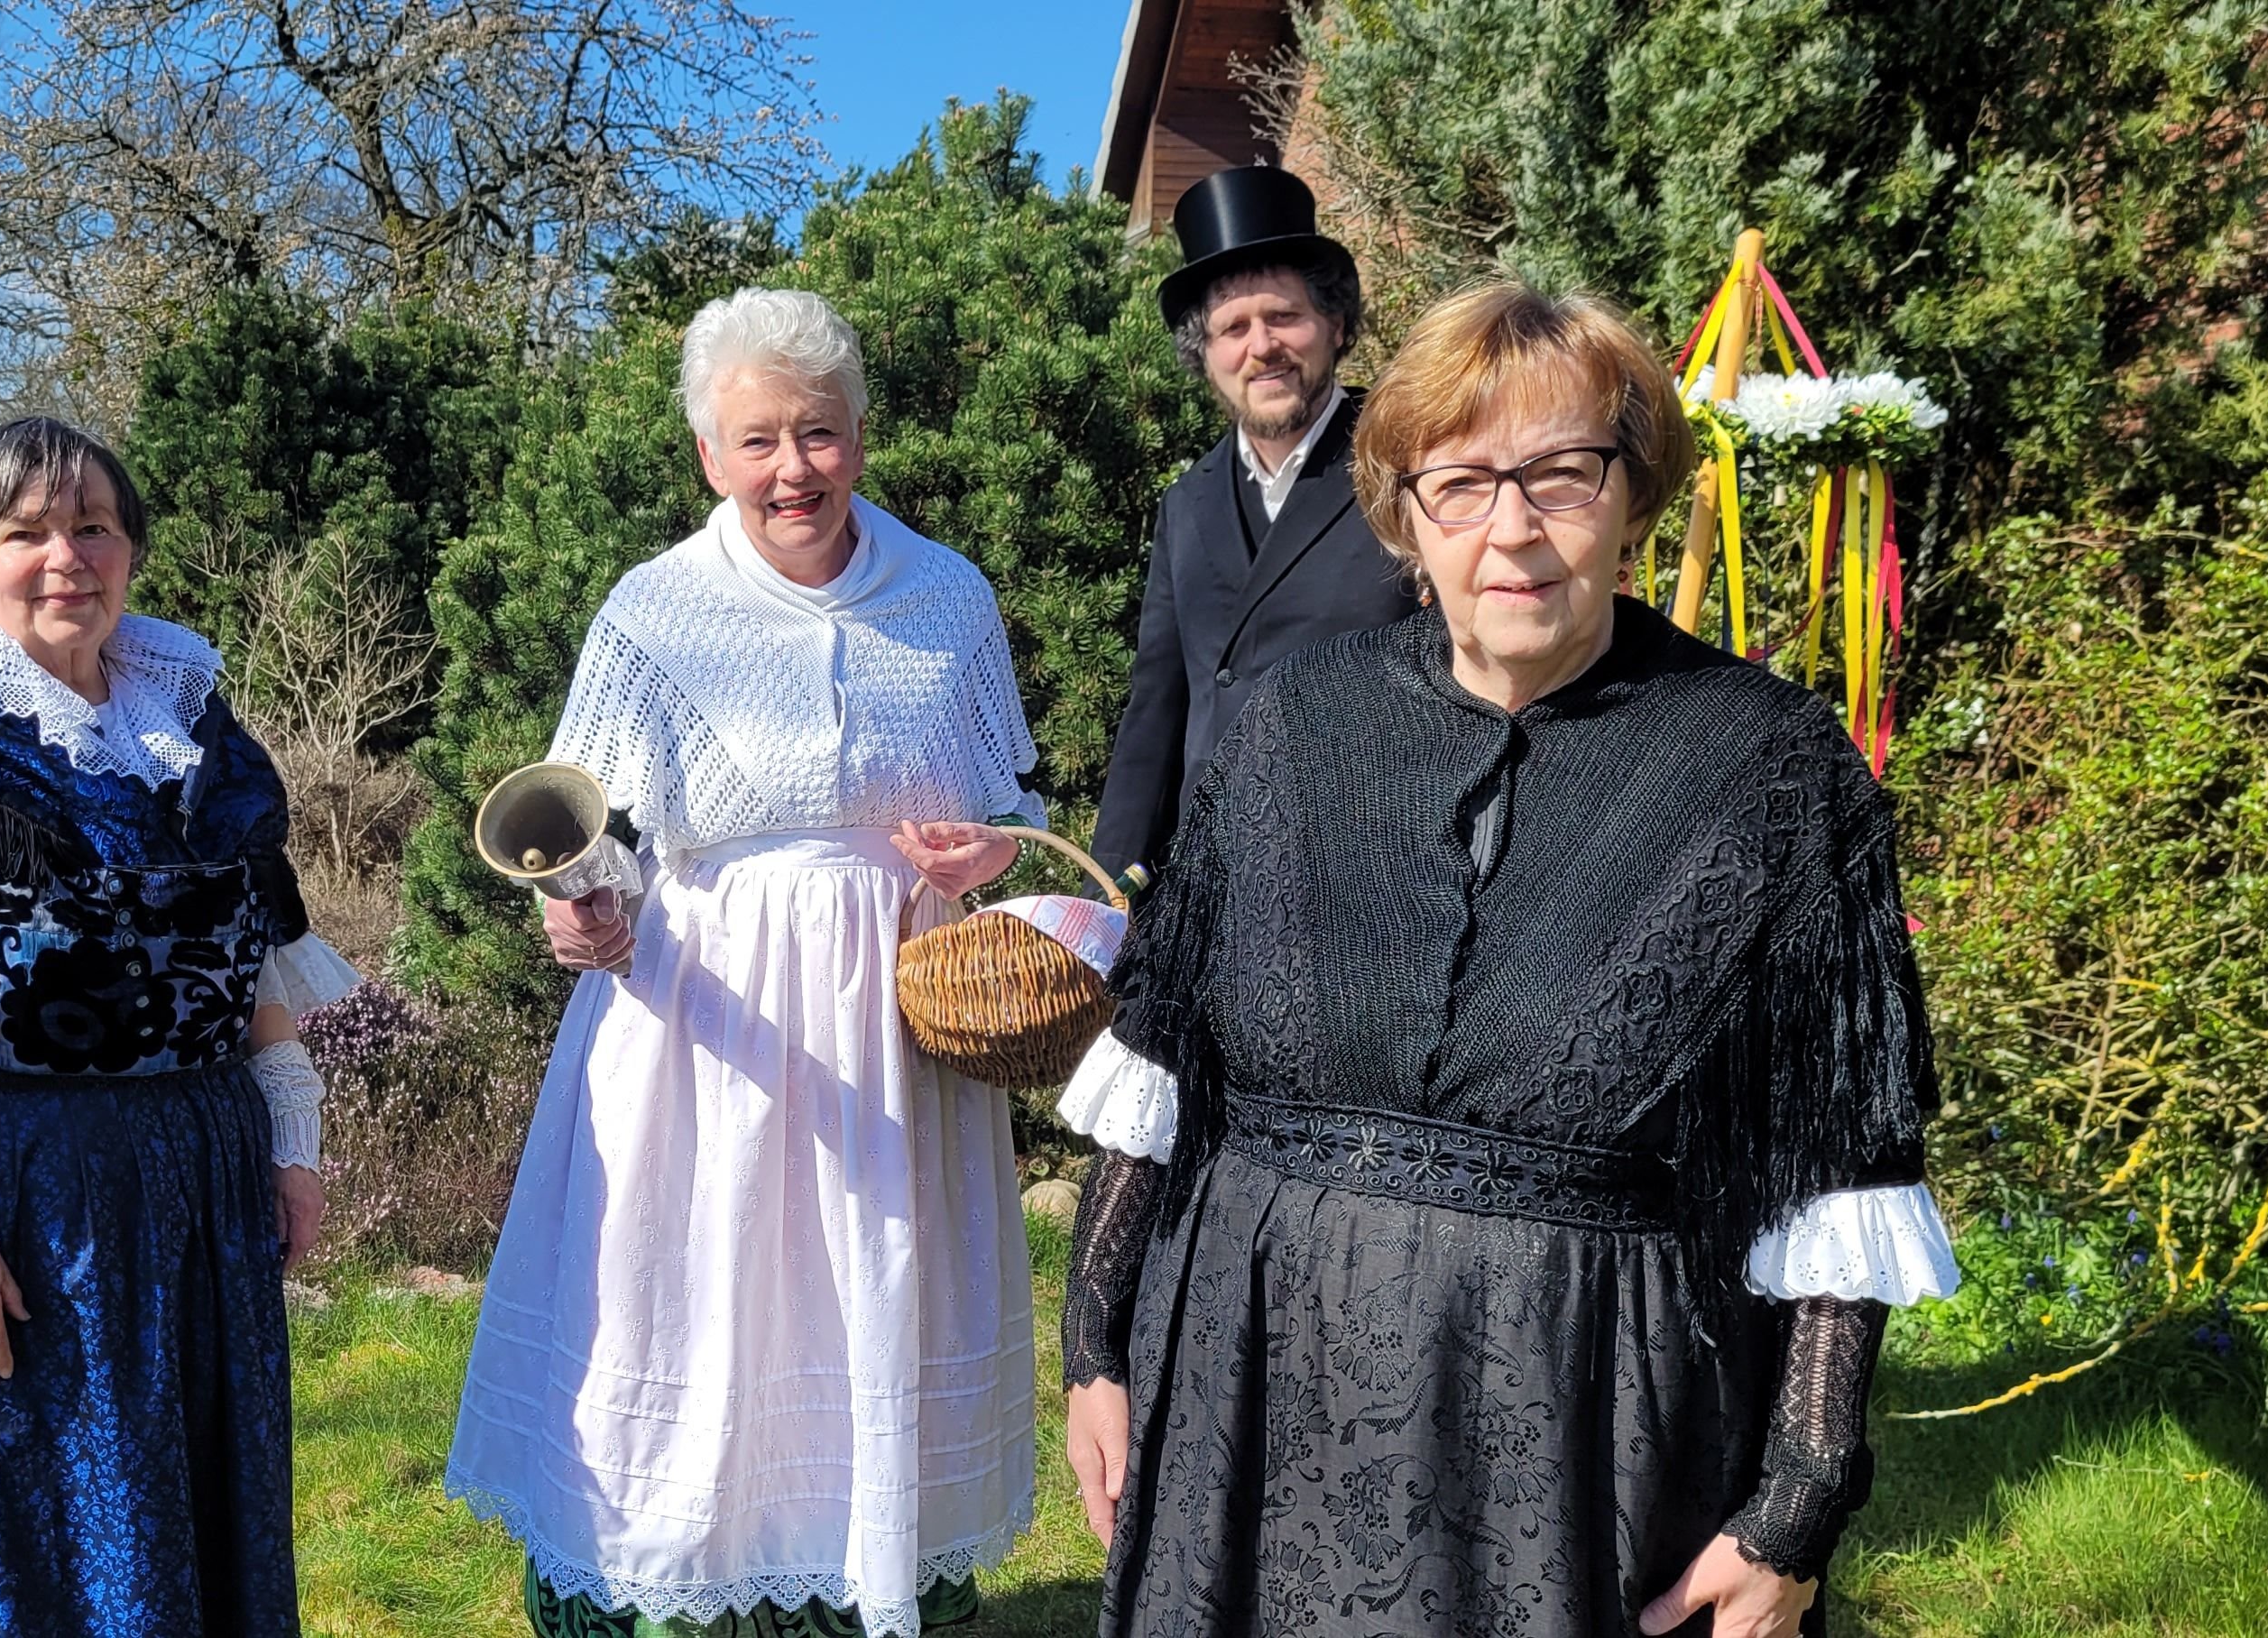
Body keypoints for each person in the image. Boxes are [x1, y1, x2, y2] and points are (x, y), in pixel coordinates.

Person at [1056, 285, 1964, 1638]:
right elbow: (1164, 1059)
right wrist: (1096, 1350)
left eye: (1561, 475)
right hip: (1253, 1397)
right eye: (1464, 484)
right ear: (1404, 515)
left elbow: (1837, 1160)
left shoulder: (1766, 769)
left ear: (1635, 492)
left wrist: (1798, 1507)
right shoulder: (1293, 727)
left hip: (1578, 1428)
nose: (1514, 532)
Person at [444, 288, 1047, 1638]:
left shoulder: (948, 602)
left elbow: (1017, 809)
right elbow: (590, 829)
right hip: (704, 1026)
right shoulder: (656, 612)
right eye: (759, 441)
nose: (794, 470)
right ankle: (689, 1594)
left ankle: (875, 1576)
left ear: (862, 437)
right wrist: (582, 914)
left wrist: (988, 861)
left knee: (874, 1298)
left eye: (820, 435)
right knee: (705, 1302)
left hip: (900, 1021)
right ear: (711, 457)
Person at [0, 417, 363, 1636]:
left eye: (91, 526)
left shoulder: (193, 733)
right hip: (3, 1196)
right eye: (23, 532)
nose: (64, 558)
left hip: (190, 1187)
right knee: (11, 1537)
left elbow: (257, 959)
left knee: (177, 1518)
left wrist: (291, 1141)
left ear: (132, 549)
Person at [1091, 165, 1421, 877]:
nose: (1261, 346)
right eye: (1233, 328)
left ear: (1334, 324)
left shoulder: (1406, 463)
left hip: (1375, 868)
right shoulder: (1186, 504)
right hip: (1215, 880)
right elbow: (1158, 703)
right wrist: (1106, 888)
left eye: (1284, 316)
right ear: (1205, 356)